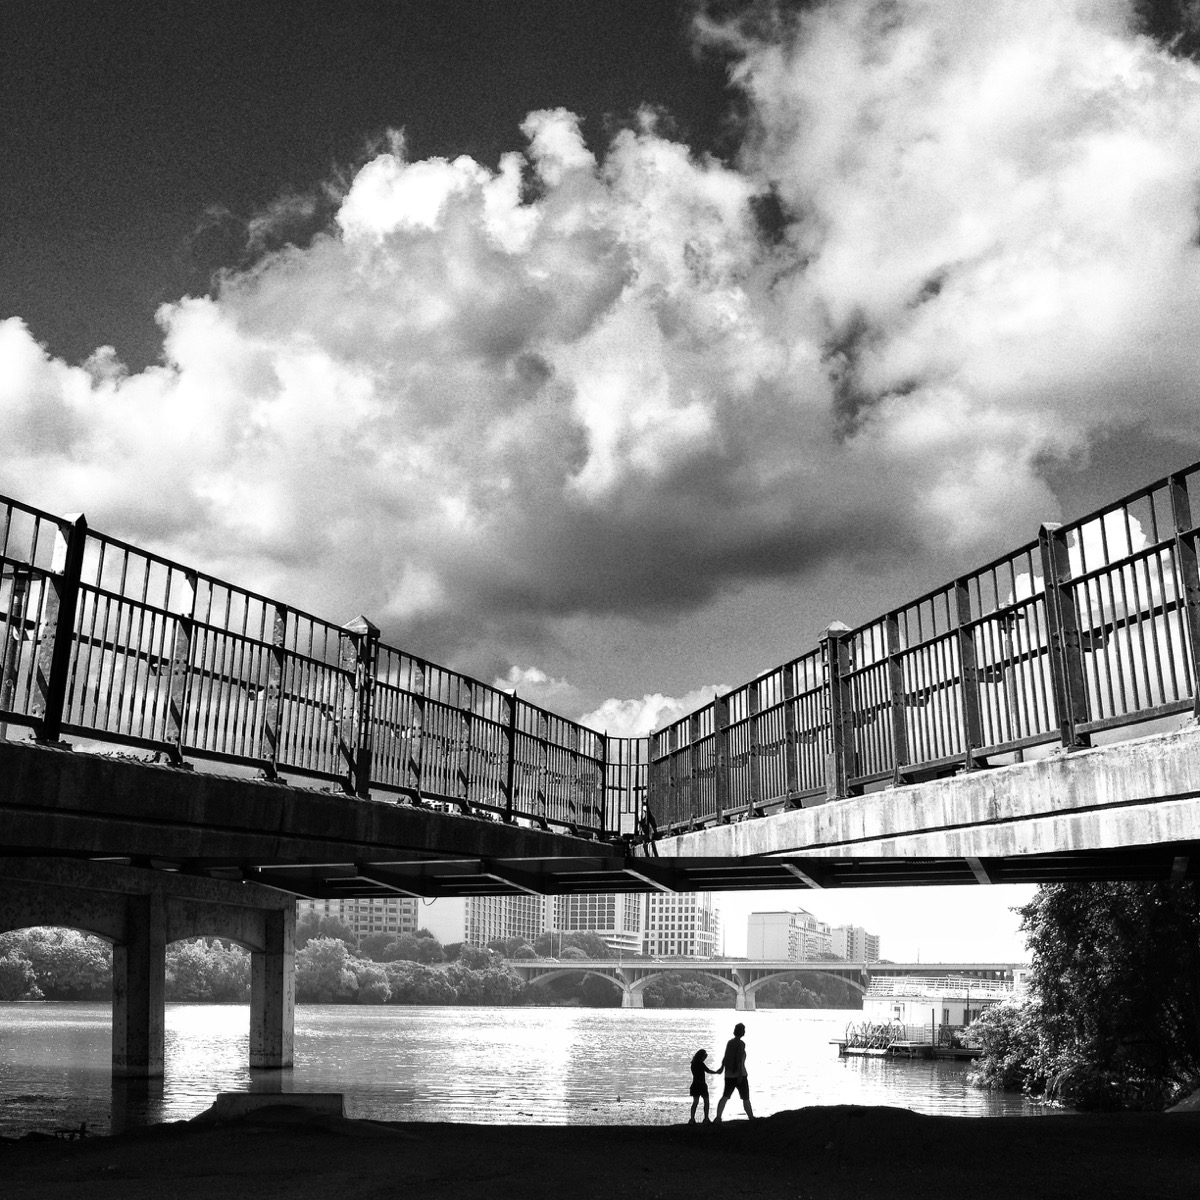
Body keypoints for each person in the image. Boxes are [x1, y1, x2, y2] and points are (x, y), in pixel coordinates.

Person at [714, 1021, 755, 1122]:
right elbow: (739, 1059)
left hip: (728, 1074)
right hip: (740, 1074)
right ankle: (751, 1118)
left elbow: (726, 1056)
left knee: (725, 1096)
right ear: (742, 1032)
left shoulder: (730, 1042)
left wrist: (722, 1068)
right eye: (743, 1030)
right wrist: (740, 1074)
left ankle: (718, 1117)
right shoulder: (741, 1044)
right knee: (745, 1097)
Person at [688, 1048, 719, 1123]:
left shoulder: (693, 1063)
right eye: (705, 1056)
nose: (705, 1058)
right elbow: (708, 1071)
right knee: (706, 1102)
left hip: (695, 1084)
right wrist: (717, 1072)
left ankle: (692, 1119)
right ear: (701, 1056)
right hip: (701, 1084)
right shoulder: (700, 1063)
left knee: (695, 1102)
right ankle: (706, 1119)